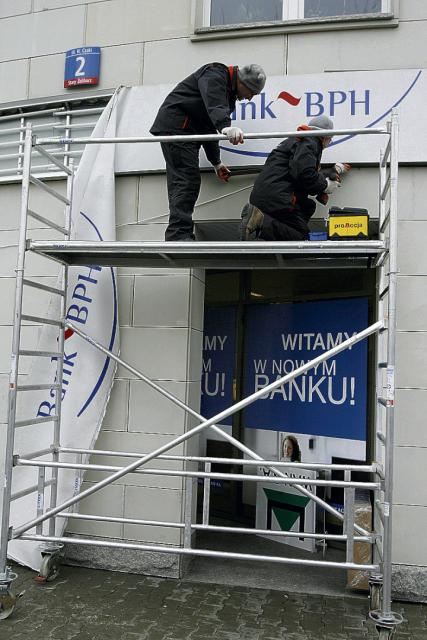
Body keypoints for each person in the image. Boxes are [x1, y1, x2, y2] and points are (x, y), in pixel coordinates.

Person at [150, 63, 267, 241]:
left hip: (186, 130)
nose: (249, 98)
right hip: (177, 127)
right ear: (242, 82)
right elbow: (214, 103)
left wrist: (216, 162)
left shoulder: (227, 93)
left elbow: (209, 127)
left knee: (186, 180)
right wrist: (225, 126)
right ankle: (178, 235)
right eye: (252, 92)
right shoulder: (215, 74)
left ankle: (179, 233)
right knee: (185, 180)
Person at [240, 115, 350, 241]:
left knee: (306, 209)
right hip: (278, 198)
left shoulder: (297, 141)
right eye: (330, 139)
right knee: (299, 236)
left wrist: (334, 172)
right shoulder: (310, 142)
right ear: (325, 136)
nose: (329, 143)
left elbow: (302, 171)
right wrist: (325, 185)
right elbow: (304, 174)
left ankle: (260, 222)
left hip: (269, 195)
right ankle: (261, 221)